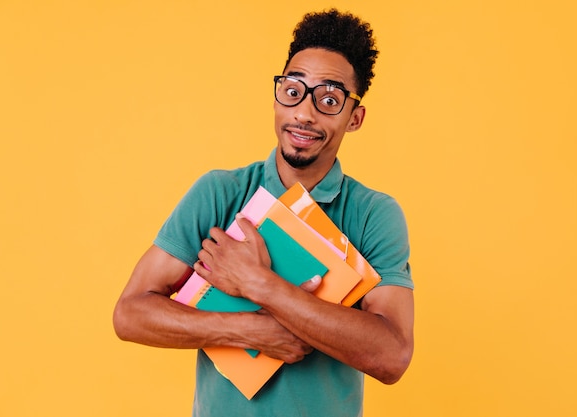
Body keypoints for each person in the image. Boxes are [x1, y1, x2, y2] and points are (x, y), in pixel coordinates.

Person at [113, 9, 414, 417]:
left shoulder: (374, 214)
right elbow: (130, 315)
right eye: (293, 91)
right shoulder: (220, 193)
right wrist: (248, 330)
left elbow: (392, 356)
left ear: (354, 118)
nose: (304, 114)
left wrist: (261, 284)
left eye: (329, 100)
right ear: (277, 96)